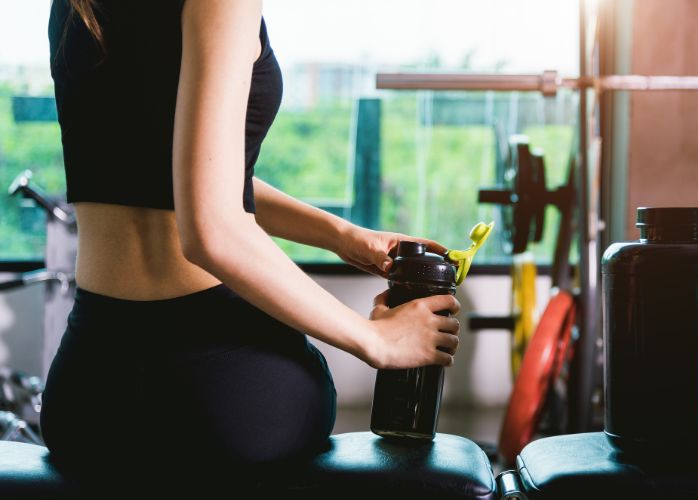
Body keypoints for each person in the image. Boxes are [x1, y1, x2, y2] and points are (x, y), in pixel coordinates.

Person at [39, 0, 461, 496]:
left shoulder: (78, 4)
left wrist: (343, 237)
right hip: (220, 398)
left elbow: (174, 177)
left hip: (87, 394)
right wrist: (377, 342)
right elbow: (210, 230)